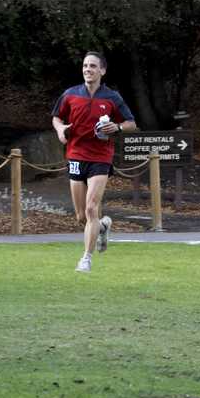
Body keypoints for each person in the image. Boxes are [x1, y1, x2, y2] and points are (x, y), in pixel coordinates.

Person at [52, 51, 136, 273]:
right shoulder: (70, 95)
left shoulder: (112, 97)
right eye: (85, 66)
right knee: (82, 216)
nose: (87, 69)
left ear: (102, 70)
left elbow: (130, 123)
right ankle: (102, 227)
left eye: (92, 66)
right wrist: (61, 130)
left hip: (101, 157)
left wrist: (117, 127)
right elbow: (57, 117)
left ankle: (86, 259)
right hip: (76, 156)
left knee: (91, 208)